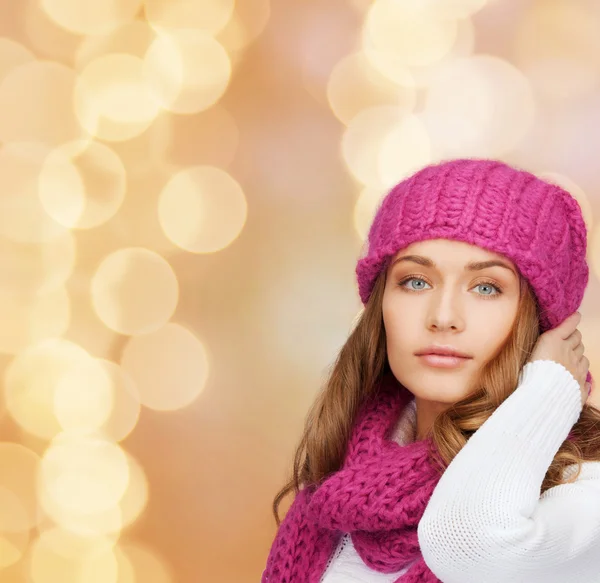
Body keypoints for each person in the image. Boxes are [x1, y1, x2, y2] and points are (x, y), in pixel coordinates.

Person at [261, 158, 600, 583]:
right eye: (416, 281)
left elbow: (472, 546)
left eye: (486, 287)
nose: (443, 316)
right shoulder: (339, 490)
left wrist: (547, 391)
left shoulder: (583, 495)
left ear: (543, 324)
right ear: (381, 303)